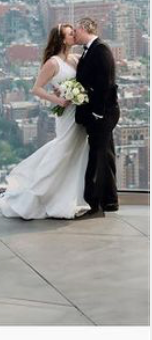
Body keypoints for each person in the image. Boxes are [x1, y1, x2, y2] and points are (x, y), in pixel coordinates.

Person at [0, 23, 90, 221]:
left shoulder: (76, 59)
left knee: (76, 151)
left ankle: (70, 196)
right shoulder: (53, 63)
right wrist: (59, 100)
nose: (73, 35)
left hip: (79, 112)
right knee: (63, 150)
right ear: (61, 40)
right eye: (70, 34)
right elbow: (36, 88)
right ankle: (37, 192)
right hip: (66, 113)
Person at [71, 15, 121, 217]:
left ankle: (95, 204)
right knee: (105, 156)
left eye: (76, 30)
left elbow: (106, 85)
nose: (74, 34)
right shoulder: (89, 50)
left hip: (103, 114)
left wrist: (97, 113)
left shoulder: (100, 50)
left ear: (84, 29)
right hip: (100, 113)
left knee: (97, 158)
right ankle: (110, 202)